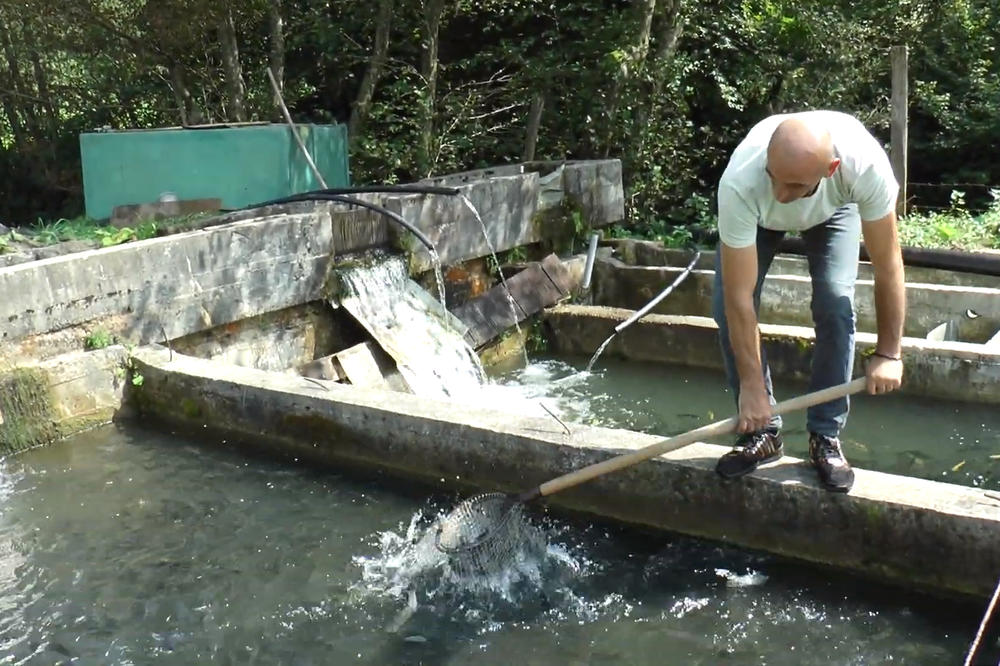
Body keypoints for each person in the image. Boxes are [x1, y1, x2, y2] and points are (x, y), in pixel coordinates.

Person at [712, 110, 905, 493]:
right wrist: (752, 385)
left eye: (794, 185)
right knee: (723, 305)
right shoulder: (741, 182)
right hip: (757, 217)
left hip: (835, 210)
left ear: (830, 169)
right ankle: (763, 433)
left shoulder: (863, 166)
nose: (782, 196)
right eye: (775, 178)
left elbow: (888, 266)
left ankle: (825, 436)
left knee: (835, 302)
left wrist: (889, 353)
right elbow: (739, 297)